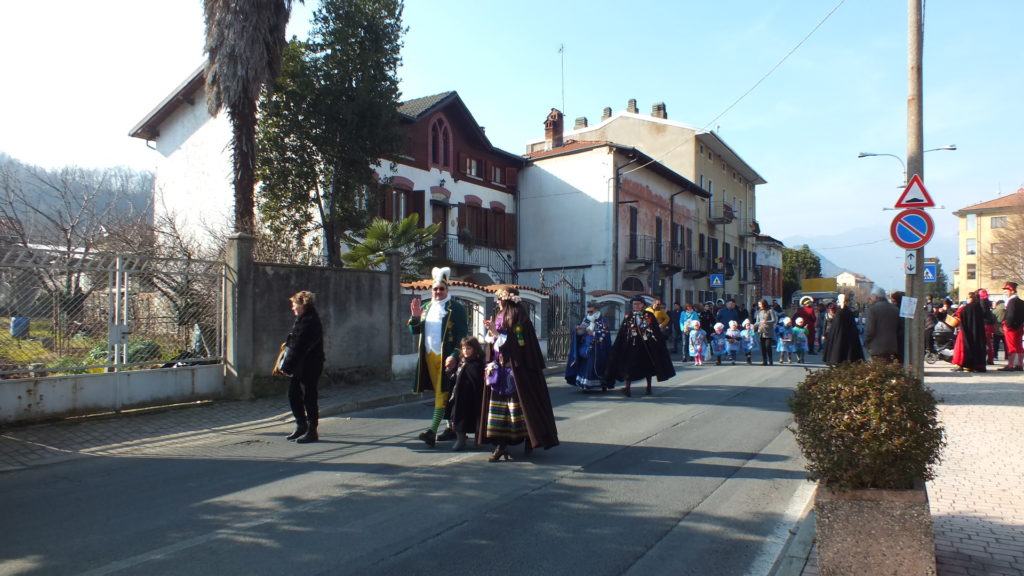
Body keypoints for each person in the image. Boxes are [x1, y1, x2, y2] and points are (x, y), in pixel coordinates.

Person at [479, 287, 559, 461]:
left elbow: (519, 344)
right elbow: (496, 342)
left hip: (516, 371)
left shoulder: (518, 317)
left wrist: (496, 333)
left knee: (519, 408)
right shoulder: (500, 315)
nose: (497, 302)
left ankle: (529, 438)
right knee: (499, 409)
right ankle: (501, 444)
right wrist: (492, 335)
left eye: (499, 299)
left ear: (506, 299)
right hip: (500, 369)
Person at [408, 267, 468, 447]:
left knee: (442, 393)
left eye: (441, 289)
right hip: (428, 356)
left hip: (446, 357)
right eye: (435, 289)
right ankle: (450, 428)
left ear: (447, 290)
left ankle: (431, 432)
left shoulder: (456, 309)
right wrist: (415, 318)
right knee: (441, 392)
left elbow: (462, 335)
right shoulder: (426, 307)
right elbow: (414, 331)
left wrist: (455, 354)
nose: (438, 292)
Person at [604, 295, 676, 396]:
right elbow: (623, 331)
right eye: (634, 304)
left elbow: (654, 330)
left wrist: (653, 341)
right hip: (631, 346)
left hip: (645, 346)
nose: (636, 306)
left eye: (638, 304)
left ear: (642, 305)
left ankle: (649, 387)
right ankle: (627, 388)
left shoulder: (649, 315)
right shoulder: (628, 316)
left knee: (648, 367)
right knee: (629, 367)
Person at [279, 290, 325, 444]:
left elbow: (300, 345)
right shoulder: (303, 319)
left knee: (309, 397)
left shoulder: (309, 321)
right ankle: (301, 424)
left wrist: (287, 365)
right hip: (301, 364)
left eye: (294, 304)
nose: (293, 308)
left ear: (302, 304)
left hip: (309, 364)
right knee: (293, 394)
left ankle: (312, 430)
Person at [564, 302, 612, 392]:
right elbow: (581, 332)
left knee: (598, 366)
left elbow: (605, 333)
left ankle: (603, 384)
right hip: (586, 348)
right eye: (588, 311)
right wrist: (578, 330)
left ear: (597, 310)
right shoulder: (586, 319)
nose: (589, 313)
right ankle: (585, 385)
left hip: (599, 349)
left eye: (591, 311)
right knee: (585, 365)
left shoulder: (603, 320)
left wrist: (593, 333)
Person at [448, 337, 484, 451]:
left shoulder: (478, 363)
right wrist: (449, 372)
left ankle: (478, 439)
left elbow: (478, 379)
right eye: (463, 348)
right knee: (458, 417)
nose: (465, 351)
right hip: (460, 396)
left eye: (468, 348)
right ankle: (461, 440)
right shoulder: (462, 362)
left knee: (476, 417)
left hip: (474, 396)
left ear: (474, 349)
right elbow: (456, 377)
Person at [950, 291, 988, 373]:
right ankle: (978, 365)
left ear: (972, 298)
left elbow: (960, 315)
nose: (967, 300)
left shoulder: (967, 308)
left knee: (961, 348)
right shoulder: (979, 307)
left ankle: (963, 364)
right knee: (978, 348)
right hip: (978, 333)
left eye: (968, 298)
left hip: (966, 332)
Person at [822, 293, 865, 365]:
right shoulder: (847, 311)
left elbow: (835, 327)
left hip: (840, 337)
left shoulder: (840, 312)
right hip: (848, 338)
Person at [863, 288, 901, 363]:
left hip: (876, 347)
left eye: (871, 297)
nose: (870, 299)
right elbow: (899, 328)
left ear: (876, 297)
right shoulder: (895, 309)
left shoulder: (872, 310)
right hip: (892, 346)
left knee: (877, 371)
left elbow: (870, 330)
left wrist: (866, 342)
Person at [999, 282, 1024, 371]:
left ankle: (1010, 365)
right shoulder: (1021, 301)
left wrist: (1007, 325)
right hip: (1019, 326)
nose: (1005, 293)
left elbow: (1011, 315)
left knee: (1011, 346)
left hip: (1011, 327)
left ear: (1012, 291)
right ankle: (1020, 364)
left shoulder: (1012, 301)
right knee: (1019, 345)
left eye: (1006, 291)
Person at [754, 299, 777, 366]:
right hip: (761, 330)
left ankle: (770, 360)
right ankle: (764, 361)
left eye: (760, 304)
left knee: (768, 346)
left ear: (764, 304)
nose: (759, 306)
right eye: (759, 304)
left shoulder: (770, 310)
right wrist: (754, 325)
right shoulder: (759, 311)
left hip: (768, 330)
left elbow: (774, 320)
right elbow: (757, 321)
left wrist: (767, 322)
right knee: (763, 347)